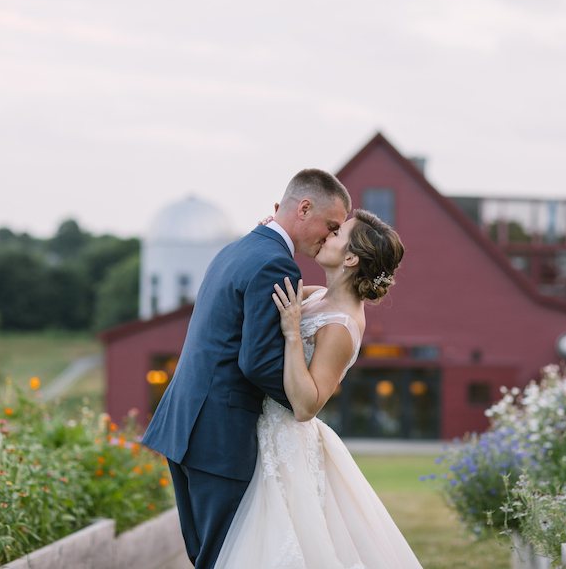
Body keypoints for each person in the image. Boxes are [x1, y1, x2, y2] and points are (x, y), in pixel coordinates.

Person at [140, 169, 351, 569]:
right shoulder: (276, 265)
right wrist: (303, 401)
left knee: (208, 553)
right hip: (219, 432)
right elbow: (256, 361)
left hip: (185, 423)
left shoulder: (237, 249)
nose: (330, 236)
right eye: (331, 225)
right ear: (304, 208)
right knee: (223, 555)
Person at [215, 209, 422, 568]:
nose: (327, 235)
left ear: (351, 256)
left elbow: (306, 405)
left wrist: (293, 334)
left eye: (337, 232)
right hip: (262, 430)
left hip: (288, 443)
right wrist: (269, 238)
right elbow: (268, 292)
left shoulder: (342, 325)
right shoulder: (318, 296)